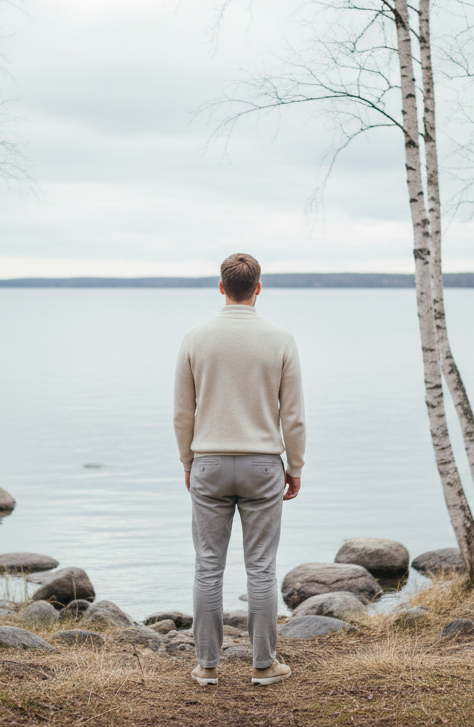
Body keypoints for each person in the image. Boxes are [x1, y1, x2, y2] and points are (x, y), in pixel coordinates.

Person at [173, 252, 306, 687]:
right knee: (261, 568)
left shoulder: (195, 338)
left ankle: (207, 667)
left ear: (221, 287)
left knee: (208, 566)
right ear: (259, 288)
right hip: (263, 464)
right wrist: (296, 465)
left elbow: (182, 414)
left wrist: (188, 462)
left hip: (209, 462)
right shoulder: (281, 339)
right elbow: (294, 417)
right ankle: (264, 665)